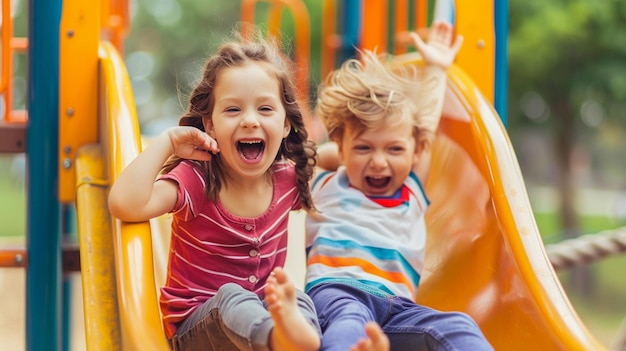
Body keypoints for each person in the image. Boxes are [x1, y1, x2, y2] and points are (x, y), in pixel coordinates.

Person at [108, 34, 321, 351]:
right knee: (232, 297)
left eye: (265, 108)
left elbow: (335, 159)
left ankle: (303, 340)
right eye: (233, 110)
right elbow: (125, 203)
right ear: (209, 125)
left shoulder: (288, 179)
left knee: (299, 297)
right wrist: (167, 142)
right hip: (197, 328)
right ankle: (277, 339)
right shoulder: (197, 180)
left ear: (286, 124)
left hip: (259, 319)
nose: (249, 120)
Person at [305, 21, 494, 351]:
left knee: (455, 325)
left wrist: (436, 68)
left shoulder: (411, 191)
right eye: (364, 148)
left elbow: (425, 130)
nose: (379, 162)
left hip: (398, 309)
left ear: (414, 151)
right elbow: (310, 157)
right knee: (350, 325)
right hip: (338, 294)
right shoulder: (328, 186)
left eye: (394, 150)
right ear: (341, 146)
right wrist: (339, 158)